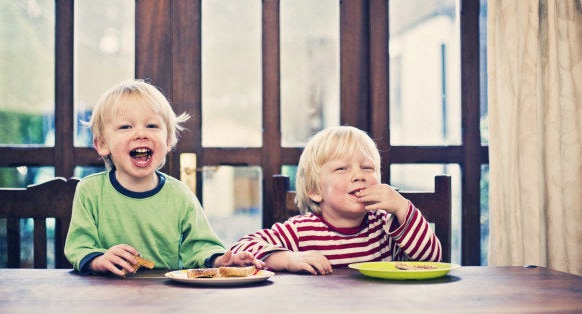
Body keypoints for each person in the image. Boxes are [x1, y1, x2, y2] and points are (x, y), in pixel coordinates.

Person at [64, 79, 264, 276]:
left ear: (168, 141)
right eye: (125, 127)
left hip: (164, 295)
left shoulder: (179, 194)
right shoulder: (89, 191)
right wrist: (99, 260)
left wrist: (221, 260)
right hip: (103, 295)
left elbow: (200, 247)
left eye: (152, 126)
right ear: (101, 144)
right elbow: (79, 247)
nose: (140, 134)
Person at [230, 126, 442, 275]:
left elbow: (431, 260)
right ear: (315, 190)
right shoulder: (300, 231)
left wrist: (401, 207)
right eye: (342, 168)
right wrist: (289, 259)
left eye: (367, 168)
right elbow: (242, 248)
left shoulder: (386, 226)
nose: (359, 175)